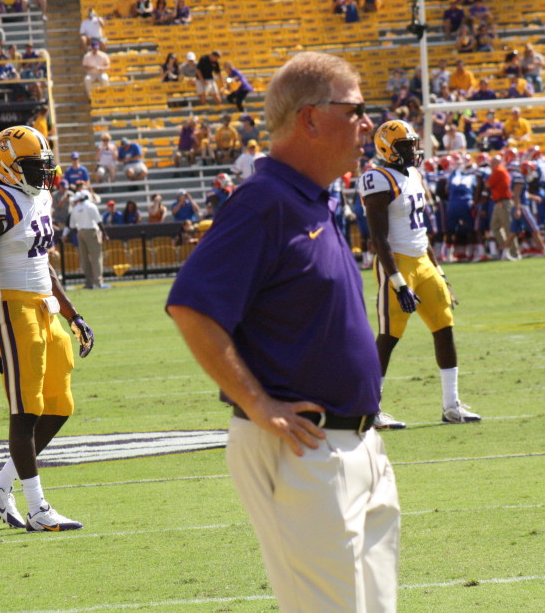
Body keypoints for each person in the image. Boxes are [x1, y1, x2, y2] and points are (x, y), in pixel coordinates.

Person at [166, 52, 399, 613]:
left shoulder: (312, 197)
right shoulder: (265, 201)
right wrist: (256, 399)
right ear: (311, 119)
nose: (368, 124)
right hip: (305, 446)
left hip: (357, 444)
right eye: (356, 110)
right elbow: (192, 306)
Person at [0, 125, 95, 532]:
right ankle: (38, 509)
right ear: (7, 165)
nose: (43, 172)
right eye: (32, 165)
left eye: (43, 164)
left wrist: (72, 314)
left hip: (46, 308)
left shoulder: (38, 196)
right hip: (13, 306)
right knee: (26, 409)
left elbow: (43, 263)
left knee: (60, 406)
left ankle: (0, 486)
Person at [359, 119, 480, 431]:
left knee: (444, 325)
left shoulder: (413, 173)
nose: (412, 151)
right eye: (404, 146)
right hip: (395, 262)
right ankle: (368, 408)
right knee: (389, 335)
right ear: (387, 148)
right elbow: (378, 237)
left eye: (412, 144)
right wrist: (398, 282)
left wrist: (437, 268)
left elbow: (421, 230)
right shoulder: (377, 178)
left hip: (422, 260)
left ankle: (451, 406)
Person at [69, 190, 108, 290]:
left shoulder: (75, 209)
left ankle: (89, 283)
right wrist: (105, 234)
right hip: (91, 231)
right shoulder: (91, 206)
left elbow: (72, 226)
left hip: (80, 232)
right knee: (96, 257)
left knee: (84, 259)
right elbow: (98, 221)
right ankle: (98, 282)